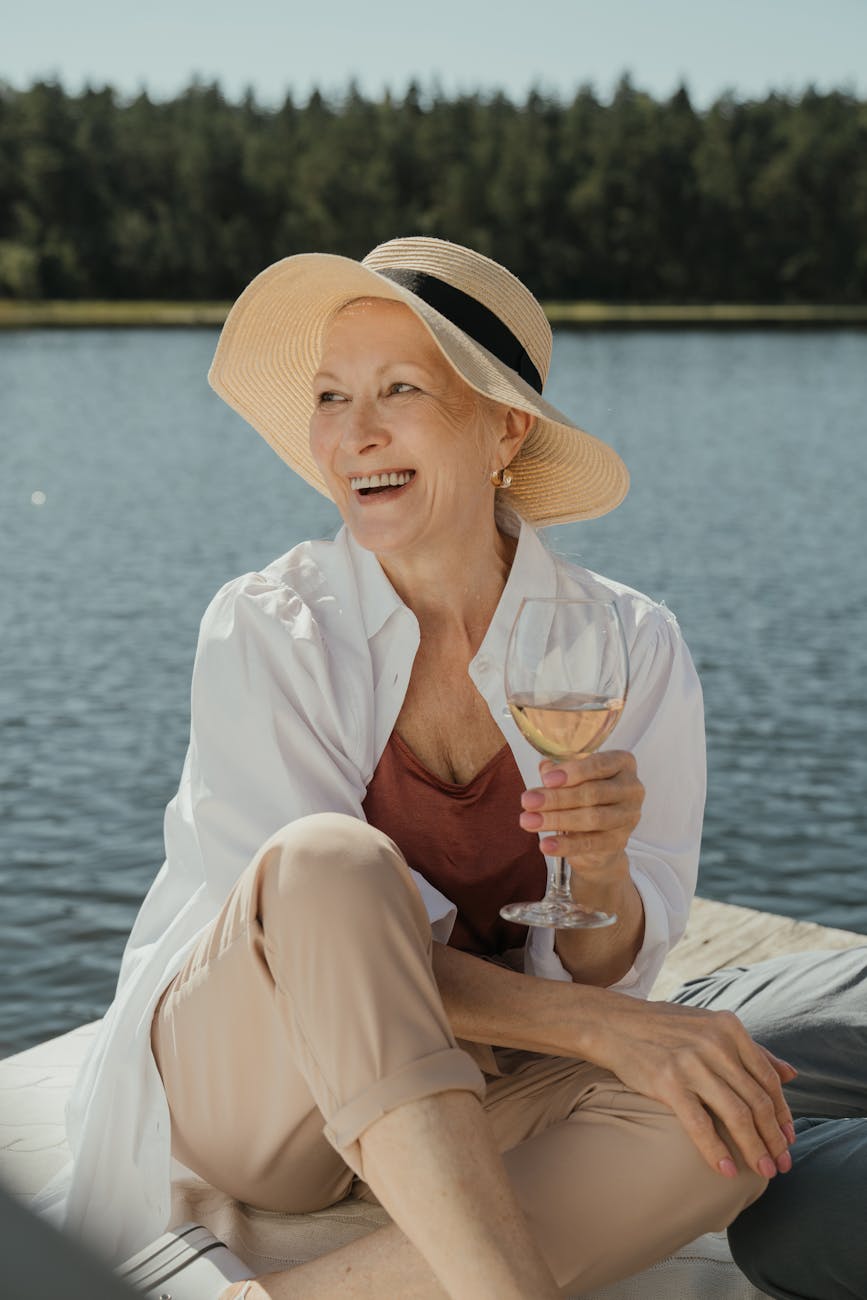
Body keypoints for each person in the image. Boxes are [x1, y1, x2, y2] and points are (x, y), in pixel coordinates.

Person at [34, 237, 800, 1299]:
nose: (354, 434)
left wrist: (610, 878)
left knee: (725, 1121)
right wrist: (601, 1024)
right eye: (332, 395)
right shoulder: (270, 626)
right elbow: (324, 943)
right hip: (261, 1093)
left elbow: (617, 968)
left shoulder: (631, 643)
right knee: (332, 866)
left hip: (480, 1081)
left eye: (400, 389)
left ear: (505, 429)